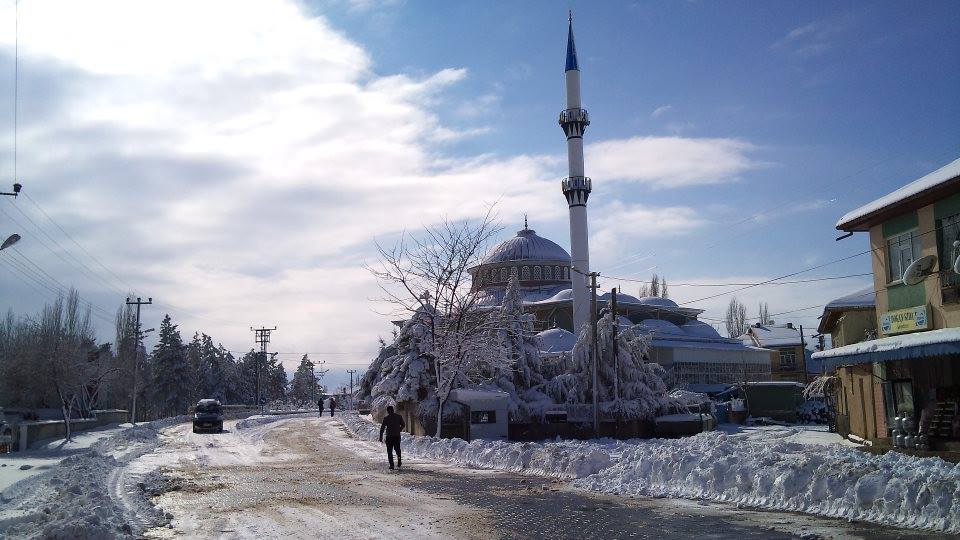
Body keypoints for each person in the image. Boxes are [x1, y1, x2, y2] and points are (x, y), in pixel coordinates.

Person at [378, 405, 406, 470]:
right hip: (396, 436)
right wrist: (399, 429)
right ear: (393, 410)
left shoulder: (386, 418)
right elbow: (403, 425)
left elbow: (382, 428)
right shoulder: (398, 417)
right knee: (397, 450)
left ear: (388, 411)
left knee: (389, 451)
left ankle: (391, 465)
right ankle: (399, 461)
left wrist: (381, 437)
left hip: (390, 437)